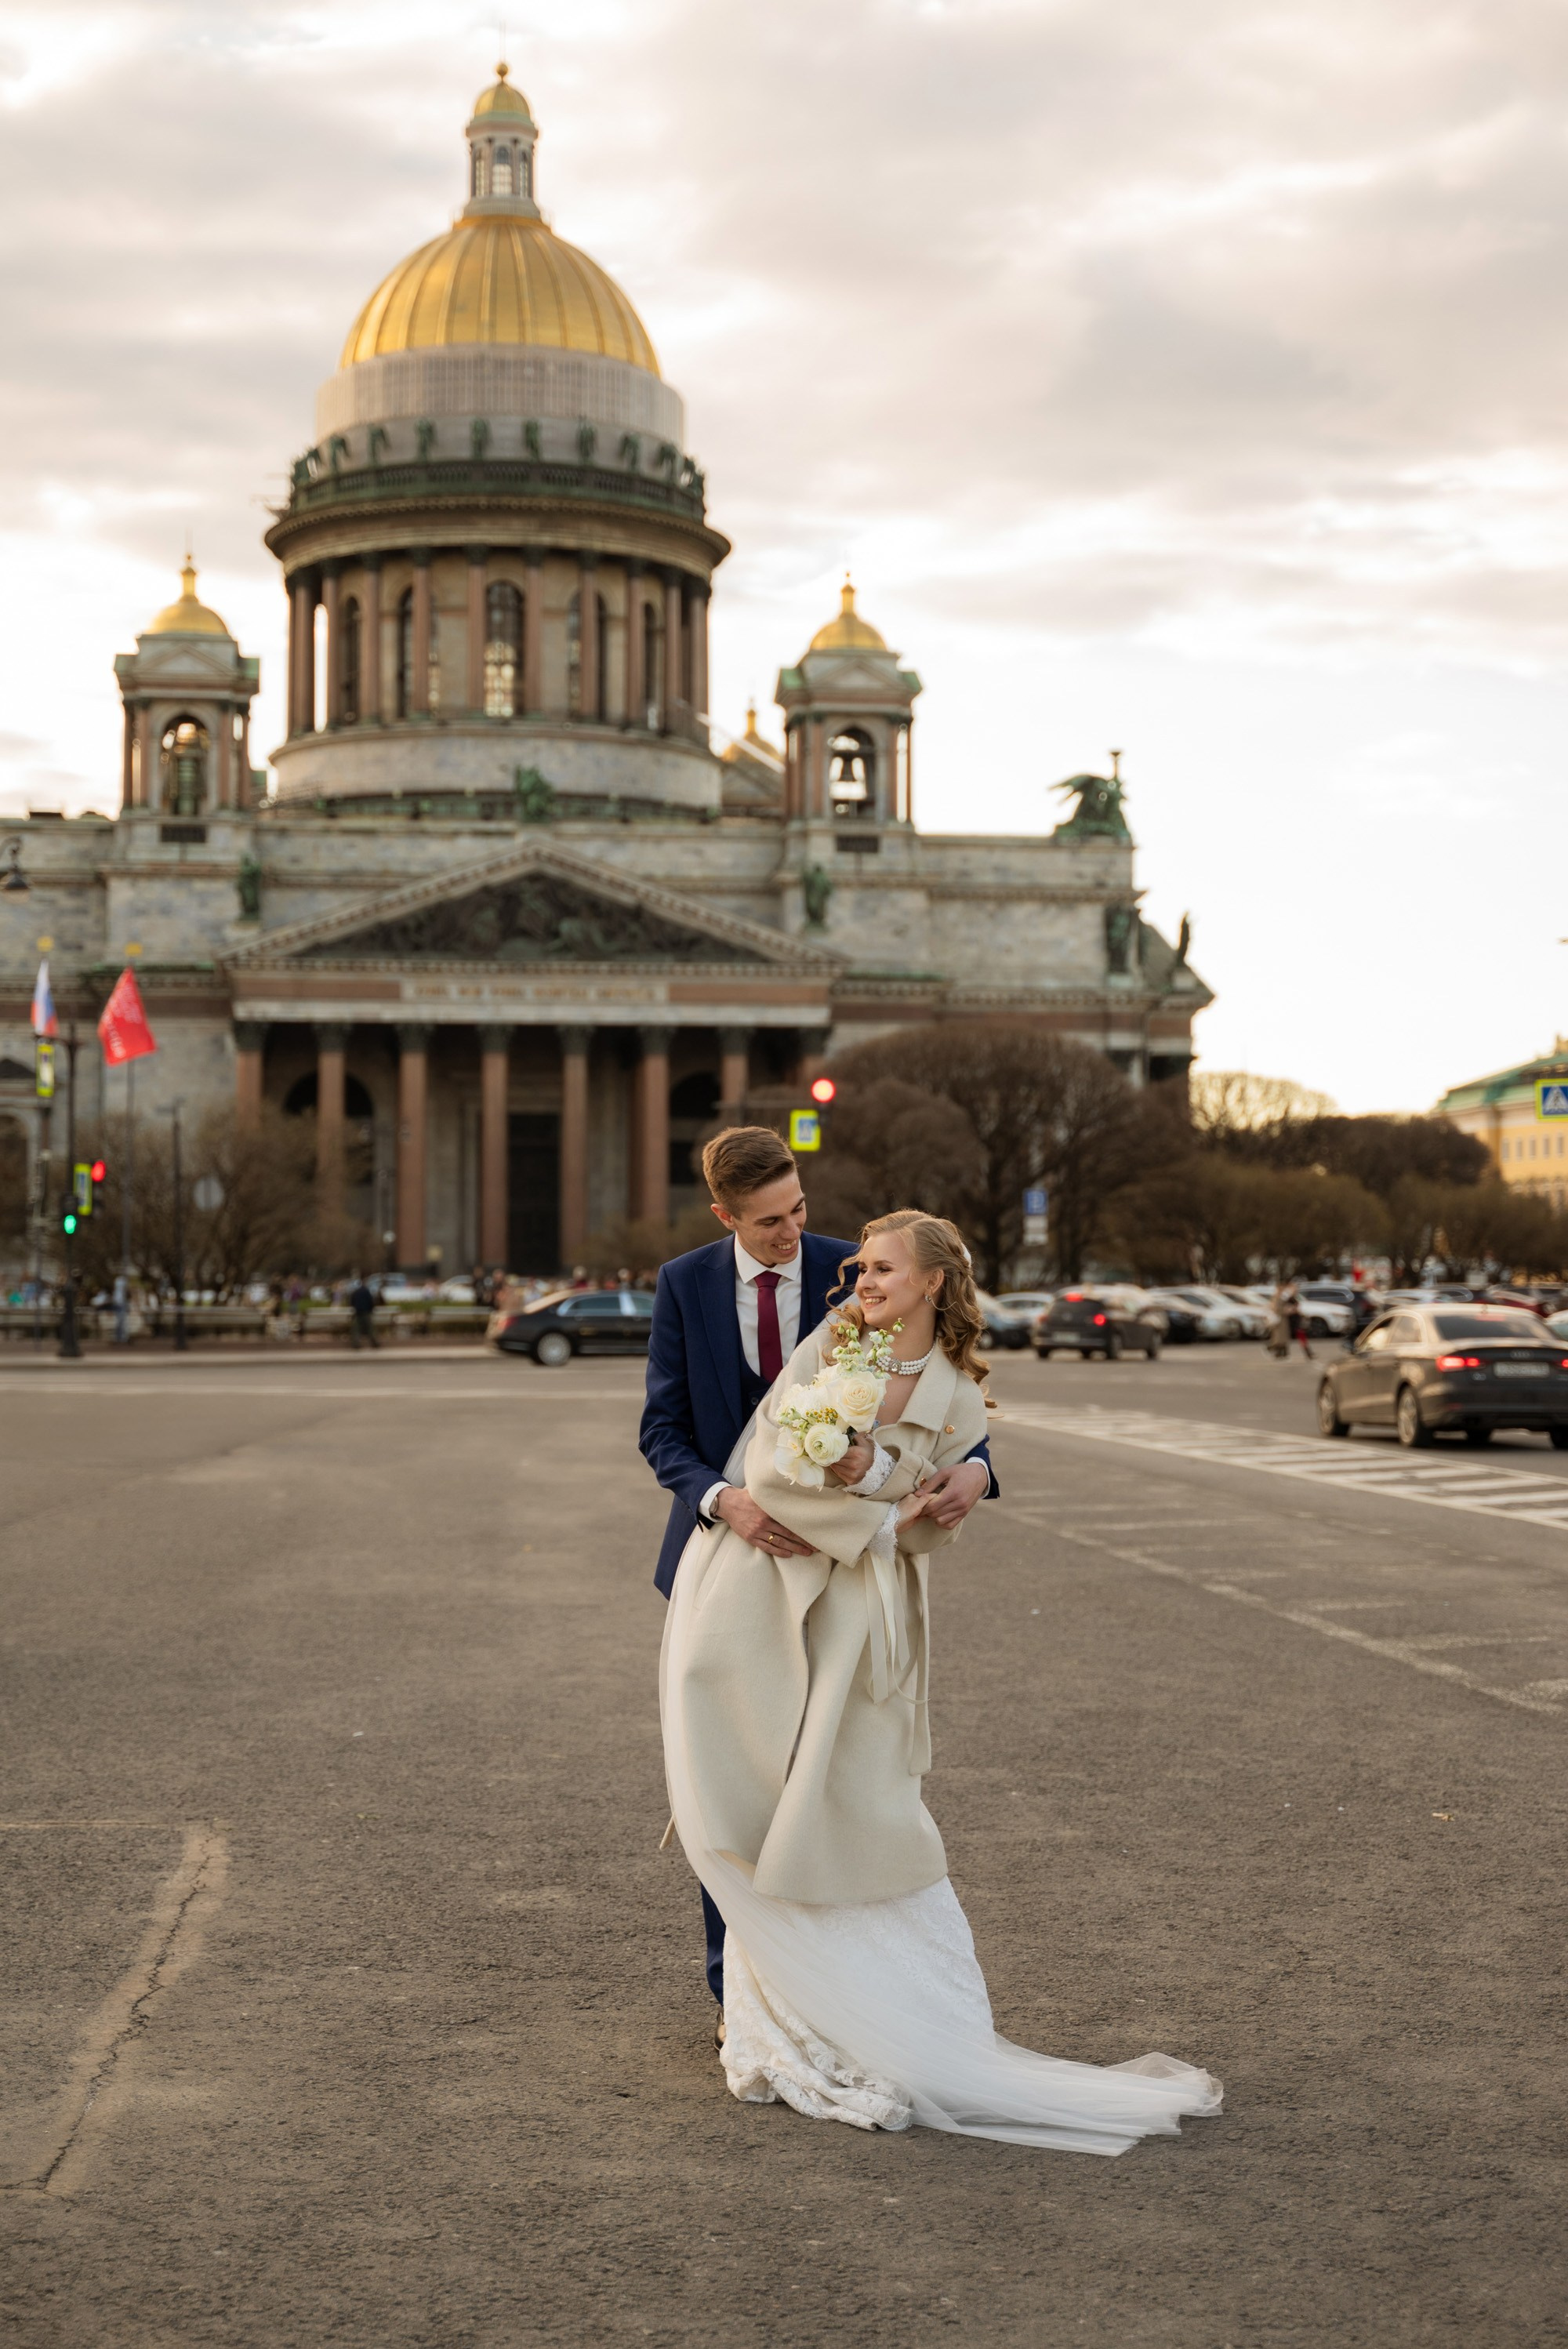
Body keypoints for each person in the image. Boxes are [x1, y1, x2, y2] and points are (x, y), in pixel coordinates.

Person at [661, 1207, 1221, 2152]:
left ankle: (867, 2012)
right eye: (861, 1267)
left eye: (882, 1269)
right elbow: (772, 1461)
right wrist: (878, 1490)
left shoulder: (959, 1392)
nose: (861, 1281)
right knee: (745, 1786)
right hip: (758, 1592)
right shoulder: (836, 1345)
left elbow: (940, 1498)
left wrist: (888, 1478)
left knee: (852, 1796)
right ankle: (763, 2002)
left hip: (865, 1618)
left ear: (930, 1282)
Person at [640, 1126, 998, 2022]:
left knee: (831, 1779)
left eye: (798, 1208)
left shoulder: (865, 1269)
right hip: (728, 1554)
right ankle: (742, 1989)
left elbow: (946, 1397)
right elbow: (663, 1430)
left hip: (845, 1578)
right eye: (767, 1221)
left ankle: (831, 1985)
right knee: (733, 1768)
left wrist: (979, 1470)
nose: (791, 1232)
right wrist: (727, 1500)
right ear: (726, 1215)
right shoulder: (684, 1283)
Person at [348, 1272, 378, 1350]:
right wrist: (371, 1310)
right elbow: (371, 1302)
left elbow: (352, 1302)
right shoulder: (367, 1292)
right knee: (370, 1329)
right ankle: (374, 1343)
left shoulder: (356, 1292)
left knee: (356, 1330)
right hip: (366, 1312)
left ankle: (356, 1344)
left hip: (358, 1312)